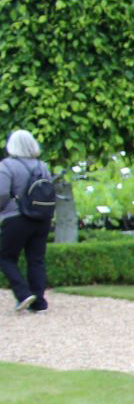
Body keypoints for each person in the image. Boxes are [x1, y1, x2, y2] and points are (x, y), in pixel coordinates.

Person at [1, 129, 53, 313]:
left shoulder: (7, 166)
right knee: (36, 259)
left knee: (5, 257)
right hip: (41, 217)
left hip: (16, 217)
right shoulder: (42, 166)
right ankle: (39, 302)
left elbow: (2, 193)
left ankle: (23, 293)